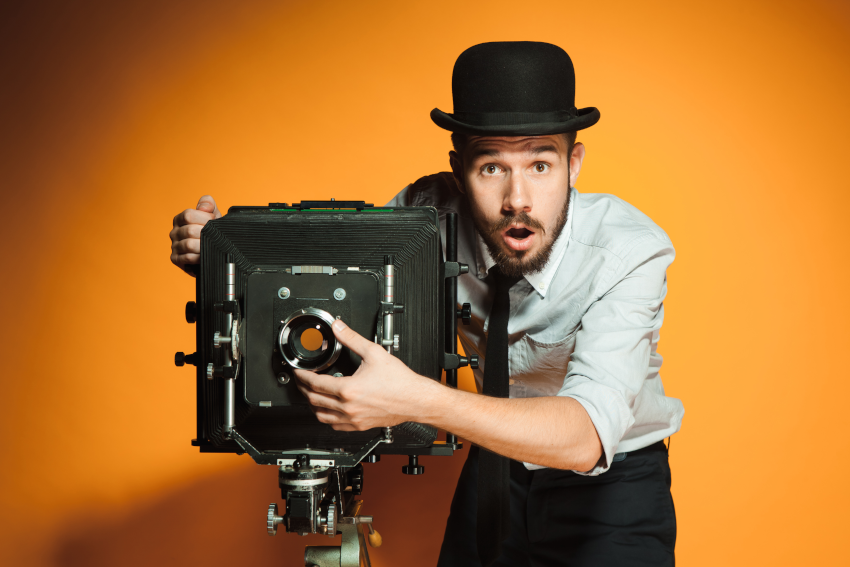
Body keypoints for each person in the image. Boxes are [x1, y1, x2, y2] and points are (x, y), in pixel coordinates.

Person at [170, 41, 683, 567]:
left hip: (613, 484)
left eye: (540, 164)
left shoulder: (629, 252)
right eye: (491, 168)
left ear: (574, 163)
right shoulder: (425, 216)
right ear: (459, 169)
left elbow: (585, 439)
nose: (518, 199)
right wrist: (224, 257)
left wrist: (418, 400)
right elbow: (330, 273)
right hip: (496, 464)